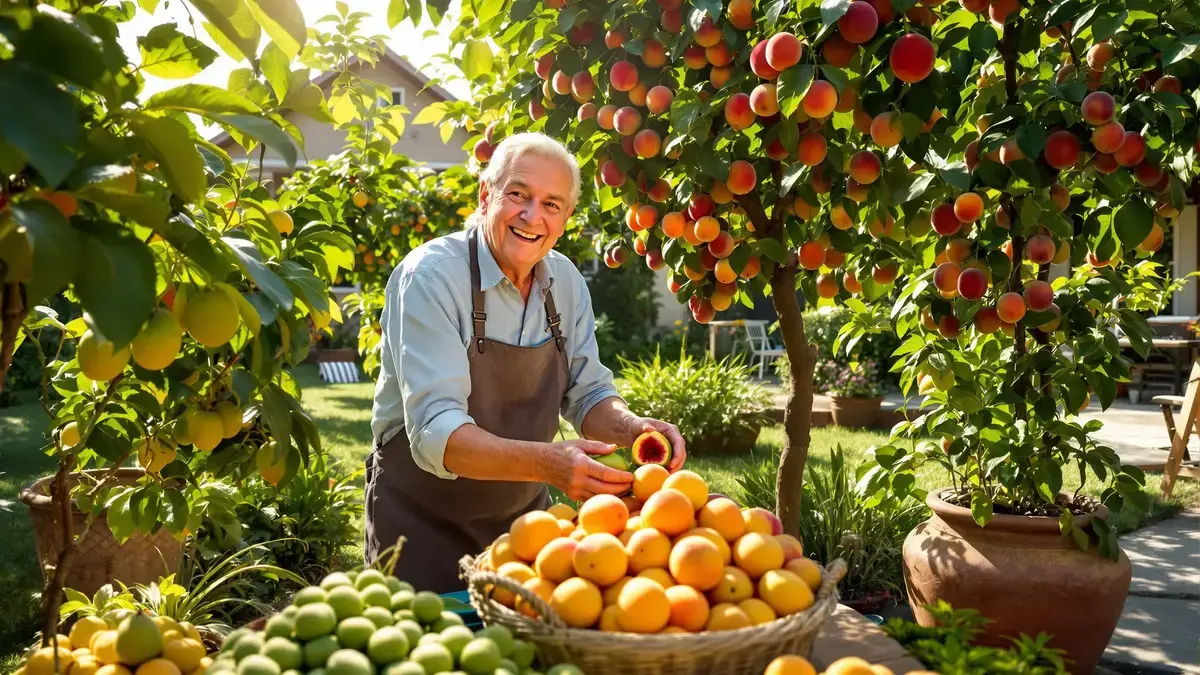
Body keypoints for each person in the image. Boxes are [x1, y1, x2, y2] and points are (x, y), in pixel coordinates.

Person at [365, 132, 688, 592]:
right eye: (518, 194)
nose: (532, 215)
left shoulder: (567, 284)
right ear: (485, 195)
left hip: (525, 531)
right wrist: (547, 464)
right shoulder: (431, 277)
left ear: (566, 218)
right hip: (419, 524)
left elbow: (588, 393)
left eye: (552, 204)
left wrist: (630, 427)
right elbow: (437, 434)